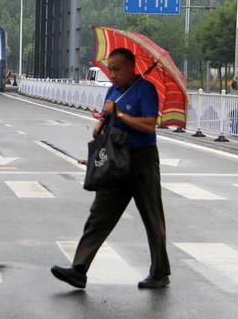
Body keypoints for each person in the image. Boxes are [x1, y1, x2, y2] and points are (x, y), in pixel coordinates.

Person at [51, 48, 171, 290]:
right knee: (100, 213)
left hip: (142, 160)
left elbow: (149, 125)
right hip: (116, 158)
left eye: (116, 69)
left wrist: (120, 114)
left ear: (130, 67)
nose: (112, 74)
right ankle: (79, 269)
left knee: (152, 216)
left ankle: (160, 272)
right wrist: (100, 125)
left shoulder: (145, 89)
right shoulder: (113, 91)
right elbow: (109, 118)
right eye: (110, 69)